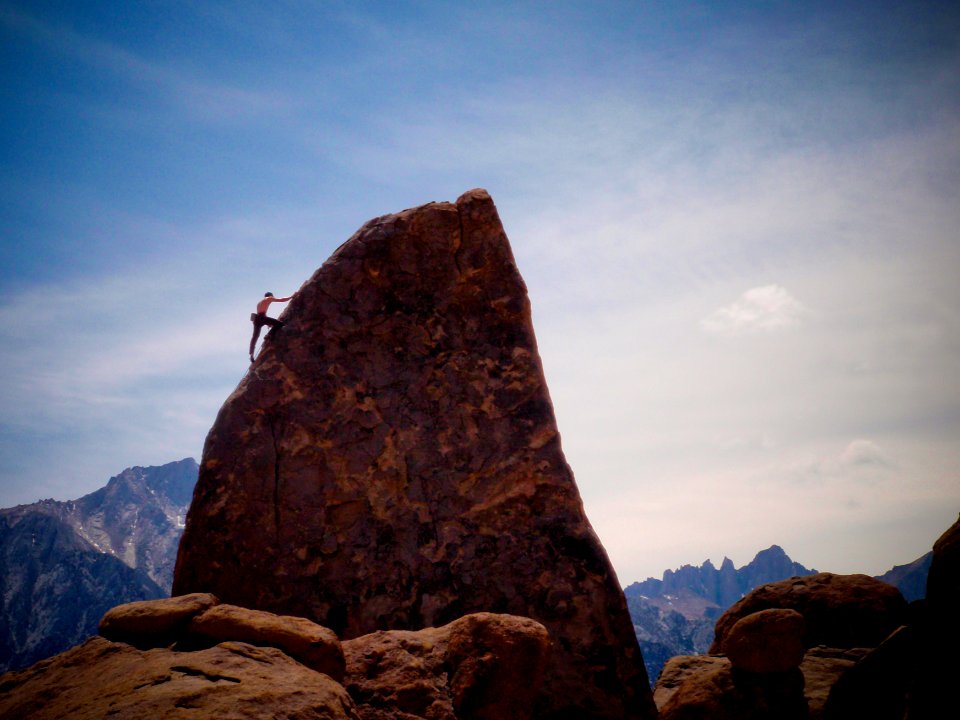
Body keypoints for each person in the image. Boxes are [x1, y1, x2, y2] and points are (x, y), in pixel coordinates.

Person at [249, 291, 293, 362]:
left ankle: (251, 354)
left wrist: (268, 323)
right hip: (262, 318)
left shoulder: (259, 303)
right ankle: (270, 335)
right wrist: (291, 297)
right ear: (270, 295)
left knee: (255, 337)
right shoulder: (269, 298)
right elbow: (281, 299)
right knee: (279, 324)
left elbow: (261, 314)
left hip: (257, 319)